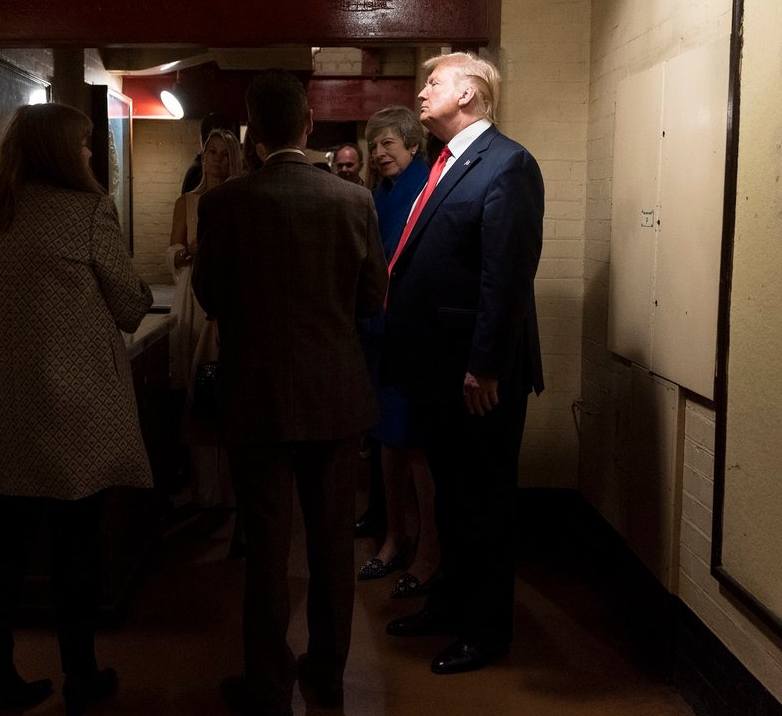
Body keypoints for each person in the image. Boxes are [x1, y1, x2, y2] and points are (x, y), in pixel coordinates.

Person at [0, 103, 154, 716]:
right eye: (85, 146)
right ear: (61, 152)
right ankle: (81, 676)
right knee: (76, 548)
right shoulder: (86, 211)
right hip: (74, 408)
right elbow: (128, 305)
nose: (90, 155)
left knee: (1, 547)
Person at [193, 70, 386, 716]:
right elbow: (373, 297)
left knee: (267, 550)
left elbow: (211, 296)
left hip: (256, 396)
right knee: (333, 547)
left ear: (252, 137)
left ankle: (267, 682)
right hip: (334, 394)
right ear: (307, 125)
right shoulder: (353, 201)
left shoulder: (222, 205)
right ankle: (326, 676)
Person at [383, 51, 545, 675]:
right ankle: (449, 607)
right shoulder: (447, 163)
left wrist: (485, 367)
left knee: (484, 506)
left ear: (471, 94)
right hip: (441, 373)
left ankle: (486, 632)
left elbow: (506, 278)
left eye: (434, 82)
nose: (422, 93)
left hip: (479, 378)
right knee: (452, 502)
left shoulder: (508, 164)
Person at [354, 106, 440, 601]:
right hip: (378, 330)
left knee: (417, 446)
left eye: (388, 143)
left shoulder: (428, 186)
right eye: (374, 145)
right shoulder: (378, 192)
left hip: (414, 334)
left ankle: (428, 549)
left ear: (412, 144)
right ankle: (395, 536)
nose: (379, 153)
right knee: (389, 440)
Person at [167, 128, 243, 511]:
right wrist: (190, 251)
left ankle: (229, 494)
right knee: (197, 391)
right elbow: (174, 251)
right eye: (211, 153)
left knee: (227, 394)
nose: (217, 160)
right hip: (194, 293)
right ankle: (203, 493)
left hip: (227, 299)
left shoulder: (242, 199)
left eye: (224, 154)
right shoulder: (189, 201)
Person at [181, 112, 238, 193]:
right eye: (213, 151)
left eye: (225, 154)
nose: (218, 158)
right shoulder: (197, 173)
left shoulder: (195, 170)